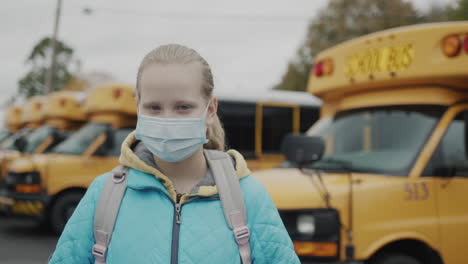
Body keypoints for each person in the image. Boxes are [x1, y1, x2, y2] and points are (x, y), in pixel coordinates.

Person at [48, 44, 300, 264]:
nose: (167, 119)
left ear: (210, 109)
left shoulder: (248, 197)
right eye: (154, 107)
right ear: (138, 108)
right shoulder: (103, 195)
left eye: (183, 107)